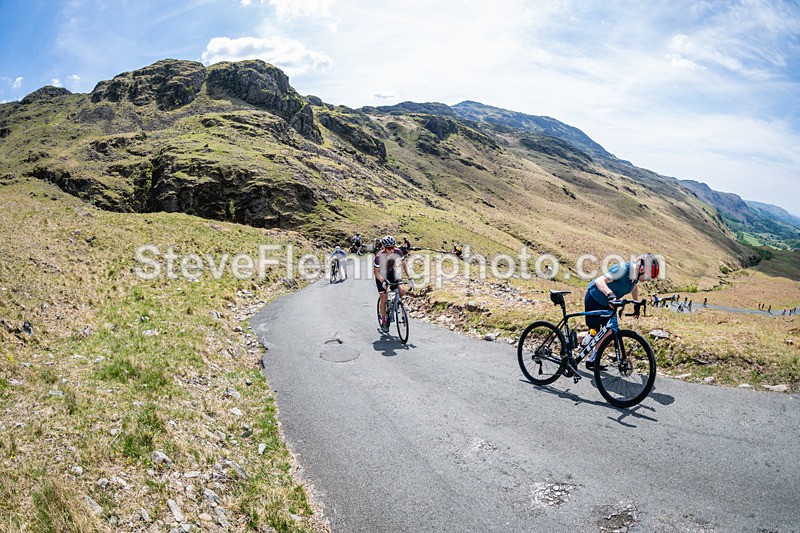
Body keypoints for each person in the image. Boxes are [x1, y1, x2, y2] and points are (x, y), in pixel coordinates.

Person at [579, 254, 660, 370]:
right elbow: (599, 281)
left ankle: (592, 359)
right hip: (595, 299)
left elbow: (633, 287)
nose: (649, 280)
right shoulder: (623, 269)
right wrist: (610, 295)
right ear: (642, 268)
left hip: (608, 303)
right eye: (650, 276)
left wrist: (636, 305)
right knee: (595, 334)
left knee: (609, 331)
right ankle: (571, 342)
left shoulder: (634, 275)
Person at [374, 235, 413, 333]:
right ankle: (383, 320)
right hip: (381, 275)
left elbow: (404, 264)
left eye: (393, 247)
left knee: (402, 290)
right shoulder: (379, 257)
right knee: (383, 297)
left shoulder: (398, 252)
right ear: (384, 248)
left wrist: (410, 277)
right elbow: (376, 272)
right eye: (389, 248)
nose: (392, 250)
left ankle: (394, 304)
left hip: (391, 272)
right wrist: (382, 281)